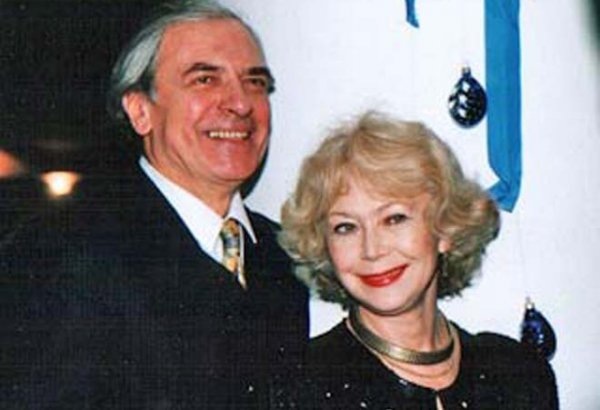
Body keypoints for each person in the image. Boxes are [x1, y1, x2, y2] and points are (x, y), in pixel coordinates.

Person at [0, 1, 308, 408]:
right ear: (140, 111)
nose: (240, 103)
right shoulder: (62, 253)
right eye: (204, 80)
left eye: (255, 82)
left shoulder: (283, 255)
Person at [277, 111, 558, 409]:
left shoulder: (519, 374)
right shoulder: (300, 387)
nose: (371, 250)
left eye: (394, 218)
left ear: (444, 228)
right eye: (346, 227)